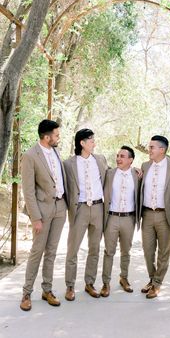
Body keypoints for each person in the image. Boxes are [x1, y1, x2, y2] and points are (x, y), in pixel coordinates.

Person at [20, 119, 67, 311]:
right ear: (46, 137)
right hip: (43, 211)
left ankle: (47, 289)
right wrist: (35, 218)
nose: (58, 138)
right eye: (56, 135)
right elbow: (28, 191)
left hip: (60, 208)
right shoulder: (30, 156)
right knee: (37, 252)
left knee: (52, 252)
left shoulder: (56, 151)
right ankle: (26, 293)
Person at [64, 128, 108, 300]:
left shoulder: (101, 159)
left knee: (94, 248)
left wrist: (134, 170)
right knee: (72, 249)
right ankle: (70, 286)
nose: (94, 143)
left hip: (98, 208)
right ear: (82, 143)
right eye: (91, 140)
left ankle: (90, 283)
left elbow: (111, 173)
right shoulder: (69, 164)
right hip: (80, 209)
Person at [140, 135, 170, 299]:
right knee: (148, 250)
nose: (149, 150)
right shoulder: (145, 166)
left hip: (166, 215)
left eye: (152, 147)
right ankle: (151, 279)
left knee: (164, 252)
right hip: (147, 214)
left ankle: (157, 284)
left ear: (162, 150)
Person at [100, 146, 140, 297]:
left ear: (130, 160)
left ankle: (124, 278)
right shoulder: (109, 174)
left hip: (129, 218)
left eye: (122, 156)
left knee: (126, 252)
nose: (118, 158)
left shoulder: (137, 175)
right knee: (109, 251)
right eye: (117, 155)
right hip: (111, 217)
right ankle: (106, 283)